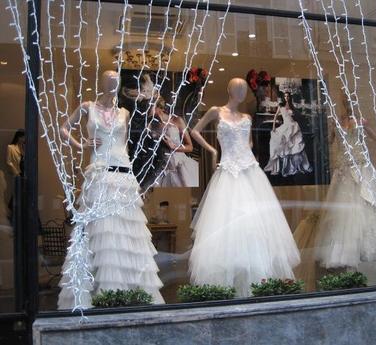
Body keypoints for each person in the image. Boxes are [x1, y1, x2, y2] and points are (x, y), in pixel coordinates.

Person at [57, 70, 164, 309]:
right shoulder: (87, 107)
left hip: (123, 174)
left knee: (126, 233)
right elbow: (63, 128)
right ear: (102, 82)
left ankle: (131, 293)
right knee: (102, 234)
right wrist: (79, 143)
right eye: (109, 80)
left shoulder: (124, 113)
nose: (112, 84)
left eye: (116, 81)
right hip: (99, 173)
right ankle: (101, 295)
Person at [188, 78, 300, 297]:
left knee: (255, 225)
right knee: (227, 223)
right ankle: (228, 288)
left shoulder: (247, 117)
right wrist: (212, 150)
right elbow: (194, 131)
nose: (242, 92)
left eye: (244, 89)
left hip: (249, 170)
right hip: (229, 169)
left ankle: (258, 282)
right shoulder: (215, 111)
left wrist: (245, 153)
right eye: (238, 89)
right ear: (230, 90)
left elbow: (248, 143)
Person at [314, 98, 376, 269]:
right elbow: (328, 142)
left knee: (364, 205)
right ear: (343, 103)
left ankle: (365, 250)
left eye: (351, 100)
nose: (349, 104)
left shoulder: (361, 122)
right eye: (346, 100)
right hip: (344, 170)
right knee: (344, 212)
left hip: (360, 167)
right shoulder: (336, 122)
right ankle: (346, 253)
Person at [154, 96, 199, 187]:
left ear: (158, 108)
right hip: (162, 169)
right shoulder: (151, 124)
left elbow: (190, 147)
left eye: (150, 106)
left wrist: (174, 147)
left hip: (180, 167)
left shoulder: (177, 120)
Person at [264, 92, 312, 176]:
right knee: (282, 143)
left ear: (290, 97)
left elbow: (296, 116)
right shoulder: (281, 106)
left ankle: (296, 166)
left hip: (293, 126)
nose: (287, 97)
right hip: (285, 126)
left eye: (288, 96)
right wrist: (274, 127)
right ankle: (283, 166)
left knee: (295, 145)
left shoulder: (292, 106)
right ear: (284, 97)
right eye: (285, 96)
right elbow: (275, 116)